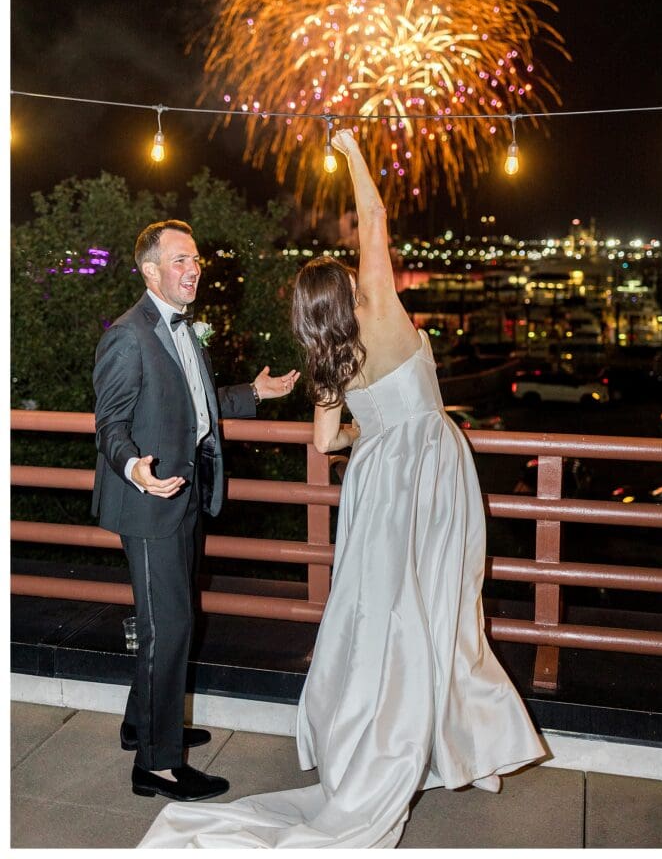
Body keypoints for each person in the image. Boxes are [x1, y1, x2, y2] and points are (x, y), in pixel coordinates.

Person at [138, 136, 544, 848]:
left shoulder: (331, 358)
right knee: (444, 607)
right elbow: (376, 218)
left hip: (378, 487)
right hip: (432, 476)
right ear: (352, 289)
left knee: (381, 617)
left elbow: (327, 442)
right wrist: (354, 150)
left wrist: (373, 431)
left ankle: (378, 736)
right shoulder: (383, 313)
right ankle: (456, 745)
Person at [92, 219, 299, 804]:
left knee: (168, 623)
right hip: (148, 502)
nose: (194, 269)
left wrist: (254, 393)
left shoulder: (186, 332)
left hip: (188, 495)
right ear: (151, 270)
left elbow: (198, 404)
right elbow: (109, 424)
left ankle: (143, 724)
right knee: (170, 626)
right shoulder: (128, 336)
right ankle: (156, 766)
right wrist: (136, 468)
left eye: (196, 260)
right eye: (181, 260)